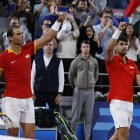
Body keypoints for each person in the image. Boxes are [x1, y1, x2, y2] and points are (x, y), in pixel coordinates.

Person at [0, 14, 65, 138]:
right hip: (11, 100)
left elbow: (47, 38)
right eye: (18, 34)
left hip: (28, 100)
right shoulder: (4, 56)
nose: (22, 35)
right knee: (12, 135)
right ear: (10, 38)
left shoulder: (27, 49)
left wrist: (58, 22)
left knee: (30, 136)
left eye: (22, 33)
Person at [105, 22, 140, 140]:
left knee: (117, 136)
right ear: (116, 46)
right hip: (117, 103)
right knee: (124, 136)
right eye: (121, 44)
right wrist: (118, 30)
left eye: (126, 44)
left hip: (129, 104)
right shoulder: (111, 60)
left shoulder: (132, 64)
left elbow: (139, 82)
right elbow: (109, 48)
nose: (124, 46)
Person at [68, 40, 99, 140]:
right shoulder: (75, 61)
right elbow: (71, 76)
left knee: (88, 118)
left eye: (87, 47)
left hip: (90, 91)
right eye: (84, 47)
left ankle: (87, 138)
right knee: (75, 117)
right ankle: (71, 137)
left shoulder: (94, 61)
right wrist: (76, 87)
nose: (86, 49)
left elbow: (96, 75)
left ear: (89, 48)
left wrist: (92, 83)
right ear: (81, 48)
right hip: (79, 91)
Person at [31, 40, 64, 111]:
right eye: (46, 45)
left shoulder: (59, 61)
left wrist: (60, 94)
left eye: (50, 45)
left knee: (54, 115)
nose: (48, 46)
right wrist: (32, 93)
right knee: (38, 115)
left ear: (53, 47)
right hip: (38, 93)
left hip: (53, 94)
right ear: (43, 47)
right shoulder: (36, 60)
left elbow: (61, 79)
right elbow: (31, 78)